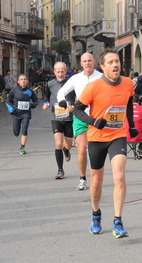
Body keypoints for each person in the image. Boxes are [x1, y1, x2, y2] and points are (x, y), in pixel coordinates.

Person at [71, 48, 137, 238]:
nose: (115, 65)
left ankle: (118, 220)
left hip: (117, 135)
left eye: (117, 61)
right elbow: (77, 110)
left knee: (119, 176)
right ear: (103, 66)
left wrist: (131, 125)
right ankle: (96, 214)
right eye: (110, 62)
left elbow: (129, 104)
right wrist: (93, 122)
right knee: (97, 181)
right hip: (97, 137)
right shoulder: (93, 87)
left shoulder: (128, 83)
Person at [57, 53, 102, 190]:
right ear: (81, 63)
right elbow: (62, 92)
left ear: (94, 62)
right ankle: (82, 178)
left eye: (89, 61)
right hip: (80, 116)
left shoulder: (101, 77)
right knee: (82, 149)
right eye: (85, 61)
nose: (87, 63)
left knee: (96, 151)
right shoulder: (76, 78)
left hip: (96, 117)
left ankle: (96, 176)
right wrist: (62, 102)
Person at [43, 62, 75, 179]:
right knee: (58, 143)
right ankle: (60, 170)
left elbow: (78, 97)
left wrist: (74, 107)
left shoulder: (71, 83)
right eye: (58, 71)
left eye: (62, 71)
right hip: (55, 117)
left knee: (68, 144)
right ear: (54, 72)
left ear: (66, 71)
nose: (60, 74)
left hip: (69, 118)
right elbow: (46, 95)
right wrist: (45, 103)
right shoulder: (50, 83)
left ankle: (66, 150)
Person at [6, 75, 38, 154]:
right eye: (21, 79)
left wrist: (33, 105)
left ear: (27, 81)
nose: (23, 81)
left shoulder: (30, 91)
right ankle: (18, 126)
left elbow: (35, 101)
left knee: (24, 130)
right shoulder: (14, 90)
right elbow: (8, 101)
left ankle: (22, 147)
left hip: (26, 113)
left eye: (25, 79)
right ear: (18, 82)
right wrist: (11, 109)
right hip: (16, 113)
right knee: (16, 133)